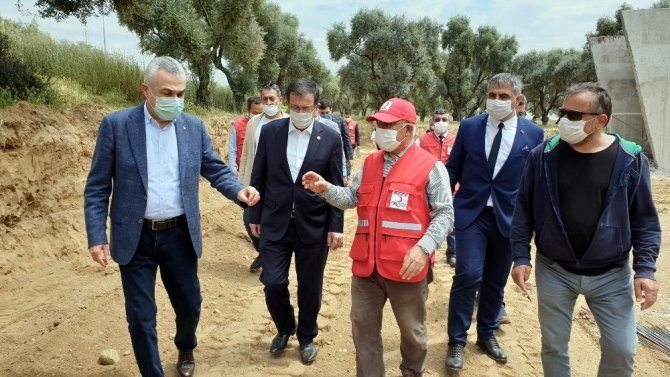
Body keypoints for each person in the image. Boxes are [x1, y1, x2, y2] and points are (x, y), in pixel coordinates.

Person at [83, 56, 259, 377]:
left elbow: (215, 168)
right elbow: (96, 187)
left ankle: (185, 345)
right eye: (167, 93)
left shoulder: (194, 127)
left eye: (181, 94)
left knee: (189, 305)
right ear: (146, 90)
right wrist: (97, 235)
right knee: (140, 317)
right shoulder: (117, 125)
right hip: (135, 237)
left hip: (179, 234)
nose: (175, 100)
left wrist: (238, 190)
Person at [510, 82, 661, 377]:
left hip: (611, 276)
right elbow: (523, 209)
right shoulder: (543, 157)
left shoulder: (630, 160)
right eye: (563, 112)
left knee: (622, 350)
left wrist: (645, 270)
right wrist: (521, 256)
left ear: (601, 120)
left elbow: (644, 219)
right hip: (554, 270)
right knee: (554, 346)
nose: (564, 119)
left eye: (574, 115)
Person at [303, 98, 454, 377]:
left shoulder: (431, 167)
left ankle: (411, 370)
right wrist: (325, 189)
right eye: (378, 124)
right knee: (363, 328)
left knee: (413, 332)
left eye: (388, 125)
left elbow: (445, 215)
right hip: (367, 266)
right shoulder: (371, 162)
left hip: (407, 267)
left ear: (408, 130)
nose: (380, 130)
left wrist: (423, 249)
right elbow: (351, 198)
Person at [445, 73, 544, 372]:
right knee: (468, 275)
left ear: (517, 99)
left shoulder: (534, 133)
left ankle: (486, 334)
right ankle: (456, 341)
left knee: (495, 281)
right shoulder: (470, 126)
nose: (496, 100)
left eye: (503, 96)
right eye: (492, 94)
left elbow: (534, 183)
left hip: (509, 219)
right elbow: (453, 170)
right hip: (471, 214)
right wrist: (439, 207)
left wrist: (535, 223)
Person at [249, 78, 344, 365]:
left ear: (316, 107)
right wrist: (254, 214)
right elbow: (259, 175)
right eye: (294, 106)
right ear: (287, 103)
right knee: (273, 281)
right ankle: (284, 327)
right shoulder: (271, 132)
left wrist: (335, 225)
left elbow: (336, 185)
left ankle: (306, 336)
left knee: (310, 286)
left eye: (306, 107)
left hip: (313, 224)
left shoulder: (330, 136)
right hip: (275, 221)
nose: (300, 112)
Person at [238, 83, 289, 272]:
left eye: (271, 99)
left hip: (280, 184)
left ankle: (273, 255)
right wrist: (241, 182)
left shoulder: (290, 122)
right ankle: (263, 251)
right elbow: (246, 155)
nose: (268, 102)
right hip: (255, 183)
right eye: (264, 99)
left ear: (280, 100)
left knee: (275, 221)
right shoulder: (254, 123)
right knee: (248, 218)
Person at [417, 109, 457, 267]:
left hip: (452, 188)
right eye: (438, 119)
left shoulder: (457, 140)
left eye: (444, 119)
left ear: (450, 122)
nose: (441, 122)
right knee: (426, 220)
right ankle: (427, 252)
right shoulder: (422, 140)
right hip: (427, 188)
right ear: (432, 122)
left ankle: (452, 253)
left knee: (450, 220)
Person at [228, 96, 263, 174]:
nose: (258, 115)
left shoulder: (267, 124)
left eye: (260, 113)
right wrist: (233, 168)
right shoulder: (237, 125)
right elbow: (232, 148)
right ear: (248, 110)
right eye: (255, 113)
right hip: (243, 171)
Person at [319, 100, 354, 175]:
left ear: (331, 110)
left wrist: (350, 157)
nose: (325, 115)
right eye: (322, 113)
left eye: (327, 112)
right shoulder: (317, 122)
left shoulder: (340, 120)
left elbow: (346, 139)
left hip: (337, 153)